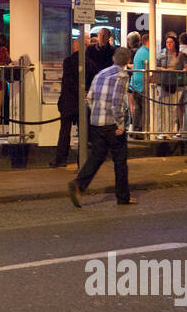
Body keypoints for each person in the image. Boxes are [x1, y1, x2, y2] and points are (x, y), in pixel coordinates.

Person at [68, 46, 136, 208]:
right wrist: (120, 123)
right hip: (112, 124)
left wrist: (97, 112)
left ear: (113, 58)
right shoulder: (122, 75)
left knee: (97, 157)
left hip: (96, 123)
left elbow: (89, 98)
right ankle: (123, 197)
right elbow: (117, 102)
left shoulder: (101, 73)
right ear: (127, 61)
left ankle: (79, 183)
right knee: (120, 160)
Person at [50, 39, 82, 166]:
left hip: (68, 102)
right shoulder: (88, 62)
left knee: (64, 131)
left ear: (74, 48)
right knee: (83, 133)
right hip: (80, 102)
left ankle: (61, 159)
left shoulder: (68, 61)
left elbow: (67, 82)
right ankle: (82, 159)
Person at [156, 32, 186, 137]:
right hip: (163, 83)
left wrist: (184, 70)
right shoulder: (161, 55)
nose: (168, 44)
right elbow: (156, 66)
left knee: (172, 109)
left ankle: (170, 130)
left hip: (176, 85)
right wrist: (164, 70)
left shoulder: (181, 55)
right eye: (167, 42)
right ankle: (161, 131)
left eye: (171, 42)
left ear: (175, 43)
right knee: (162, 109)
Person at [128, 32, 150, 134]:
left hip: (136, 84)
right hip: (142, 85)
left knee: (137, 108)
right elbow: (152, 66)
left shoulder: (139, 52)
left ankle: (137, 130)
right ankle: (142, 130)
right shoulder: (146, 53)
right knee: (143, 108)